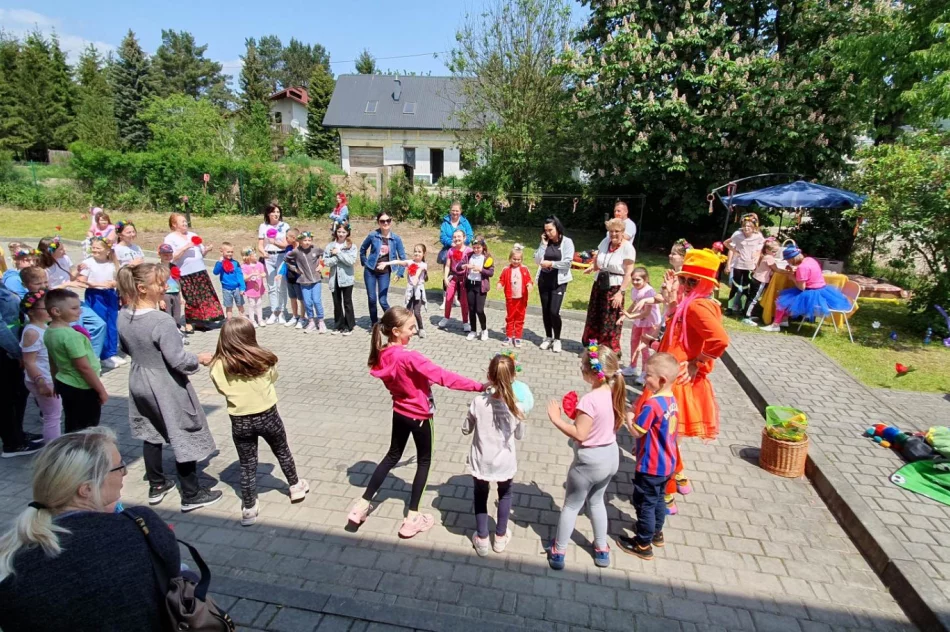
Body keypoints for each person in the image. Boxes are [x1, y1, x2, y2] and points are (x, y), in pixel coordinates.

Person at [0, 428, 189, 632]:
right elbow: (174, 575)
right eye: (118, 467)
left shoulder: (12, 561)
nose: (125, 472)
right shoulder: (141, 527)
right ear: (86, 489)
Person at [347, 307, 484, 538]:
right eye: (411, 328)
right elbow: (443, 377)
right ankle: (412, 517)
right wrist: (479, 386)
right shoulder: (409, 357)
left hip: (399, 412)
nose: (415, 331)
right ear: (396, 331)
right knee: (424, 462)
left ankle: (361, 505)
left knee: (392, 456)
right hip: (420, 416)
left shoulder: (382, 354)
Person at [116, 263, 221, 512]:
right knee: (182, 431)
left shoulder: (123, 314)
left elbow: (124, 348)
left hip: (139, 379)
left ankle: (157, 483)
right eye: (161, 284)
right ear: (142, 288)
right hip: (165, 384)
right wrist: (200, 358)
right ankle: (191, 494)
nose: (166, 288)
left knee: (151, 432)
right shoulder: (161, 321)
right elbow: (178, 360)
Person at [635, 248, 729, 515]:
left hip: (676, 382)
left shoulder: (699, 305)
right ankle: (679, 477)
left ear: (707, 284)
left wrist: (697, 362)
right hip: (668, 373)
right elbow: (678, 330)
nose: (686, 285)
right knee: (669, 437)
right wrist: (670, 299)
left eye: (692, 281)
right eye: (684, 279)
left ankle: (667, 494)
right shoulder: (691, 302)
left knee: (662, 437)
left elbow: (720, 340)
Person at [209, 318, 308, 526]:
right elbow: (273, 378)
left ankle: (249, 507)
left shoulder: (219, 364)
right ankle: (295, 486)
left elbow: (221, 389)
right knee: (282, 450)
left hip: (240, 420)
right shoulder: (264, 358)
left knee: (246, 464)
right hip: (268, 414)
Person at [545, 342, 624, 570]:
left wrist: (556, 419)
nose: (580, 369)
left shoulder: (589, 400)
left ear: (593, 374)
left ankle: (558, 551)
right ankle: (601, 548)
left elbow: (580, 433)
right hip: (610, 456)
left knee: (571, 506)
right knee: (597, 502)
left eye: (583, 366)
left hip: (589, 462)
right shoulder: (614, 390)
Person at [462, 353, 525, 556]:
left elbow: (466, 429)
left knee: (480, 494)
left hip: (481, 460)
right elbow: (520, 435)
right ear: (513, 377)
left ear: (489, 375)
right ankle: (499, 536)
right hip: (504, 462)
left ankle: (481, 538)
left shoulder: (478, 402)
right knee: (505, 494)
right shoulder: (517, 406)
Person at [618, 352, 680, 560]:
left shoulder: (652, 404)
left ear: (661, 380)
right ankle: (656, 532)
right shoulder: (671, 400)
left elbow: (637, 430)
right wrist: (642, 445)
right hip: (667, 463)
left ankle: (643, 543)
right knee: (659, 499)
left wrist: (628, 415)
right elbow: (661, 432)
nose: (645, 379)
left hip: (651, 466)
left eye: (648, 376)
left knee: (645, 502)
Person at [44, 289, 107, 431]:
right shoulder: (72, 336)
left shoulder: (49, 331)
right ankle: (83, 452)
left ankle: (70, 450)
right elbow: (83, 367)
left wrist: (55, 381)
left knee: (72, 422)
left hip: (65, 382)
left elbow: (52, 360)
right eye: (74, 308)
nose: (80, 311)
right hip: (82, 387)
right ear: (56, 311)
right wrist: (101, 390)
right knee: (87, 427)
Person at [762, 243, 851, 333]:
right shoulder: (809, 259)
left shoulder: (802, 267)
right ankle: (784, 320)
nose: (787, 262)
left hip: (811, 292)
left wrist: (792, 277)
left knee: (782, 300)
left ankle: (775, 325)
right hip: (821, 290)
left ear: (792, 259)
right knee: (786, 298)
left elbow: (802, 287)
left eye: (788, 260)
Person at [582, 218, 636, 354]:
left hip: (615, 287)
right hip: (599, 283)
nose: (613, 234)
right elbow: (598, 257)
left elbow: (628, 273)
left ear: (623, 232)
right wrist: (593, 267)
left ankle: (607, 351)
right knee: (594, 316)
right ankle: (592, 347)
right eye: (611, 231)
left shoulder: (628, 248)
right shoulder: (605, 242)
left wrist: (620, 292)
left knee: (609, 320)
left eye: (617, 231)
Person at [0, 277, 41, 458]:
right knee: (7, 398)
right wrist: (18, 352)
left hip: (12, 349)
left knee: (18, 394)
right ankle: (12, 443)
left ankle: (18, 433)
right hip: (6, 352)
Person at [163, 213, 223, 329]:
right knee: (191, 299)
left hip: (200, 271)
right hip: (185, 273)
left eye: (185, 221)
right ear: (174, 224)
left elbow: (201, 253)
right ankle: (190, 322)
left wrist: (207, 250)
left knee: (204, 296)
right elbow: (172, 257)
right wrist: (186, 247)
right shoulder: (170, 238)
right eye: (182, 222)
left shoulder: (192, 235)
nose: (185, 223)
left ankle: (204, 320)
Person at [20, 292, 62, 442]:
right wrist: (41, 382)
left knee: (54, 414)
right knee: (52, 416)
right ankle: (53, 450)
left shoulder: (43, 327)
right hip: (43, 379)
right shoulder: (32, 332)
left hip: (49, 377)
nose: (51, 310)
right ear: (31, 311)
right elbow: (29, 362)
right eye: (46, 308)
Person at [78, 238, 124, 369]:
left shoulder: (112, 263)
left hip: (110, 294)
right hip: (95, 295)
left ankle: (111, 352)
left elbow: (117, 279)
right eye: (93, 247)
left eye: (98, 248)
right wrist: (96, 284)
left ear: (107, 250)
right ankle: (103, 355)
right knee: (101, 322)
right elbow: (81, 280)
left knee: (112, 322)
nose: (95, 250)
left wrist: (113, 284)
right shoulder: (88, 263)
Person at [534, 216, 574, 353]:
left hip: (559, 281)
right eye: (546, 231)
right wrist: (543, 244)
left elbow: (568, 262)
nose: (548, 233)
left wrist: (551, 264)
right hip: (544, 280)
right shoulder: (546, 242)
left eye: (551, 230)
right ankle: (548, 337)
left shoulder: (567, 242)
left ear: (557, 228)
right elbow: (537, 259)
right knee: (545, 311)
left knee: (554, 311)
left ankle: (557, 339)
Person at [359, 211, 406, 325]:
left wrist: (399, 273)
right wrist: (366, 263)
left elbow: (403, 257)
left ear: (391, 221)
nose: (385, 223)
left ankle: (394, 320)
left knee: (382, 300)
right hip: (370, 271)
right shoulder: (373, 235)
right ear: (378, 223)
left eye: (388, 220)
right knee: (372, 299)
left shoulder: (396, 239)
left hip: (384, 273)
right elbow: (362, 249)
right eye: (382, 221)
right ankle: (374, 323)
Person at [619, 267, 662, 382]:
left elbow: (646, 312)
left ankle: (645, 372)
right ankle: (632, 367)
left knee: (643, 348)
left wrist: (630, 316)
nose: (635, 282)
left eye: (638, 280)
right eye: (633, 279)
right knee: (633, 342)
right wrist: (625, 314)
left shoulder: (649, 292)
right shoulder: (634, 290)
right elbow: (635, 303)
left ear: (646, 279)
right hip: (639, 321)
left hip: (649, 322)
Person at [380, 243, 429, 338]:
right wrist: (386, 263)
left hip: (418, 290)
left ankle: (421, 328)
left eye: (419, 252)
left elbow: (419, 271)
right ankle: (410, 328)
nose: (417, 253)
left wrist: (415, 279)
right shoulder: (410, 262)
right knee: (408, 311)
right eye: (415, 251)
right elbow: (397, 262)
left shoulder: (424, 265)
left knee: (417, 311)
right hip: (410, 290)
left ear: (424, 254)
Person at [284, 231, 326, 333]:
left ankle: (321, 321)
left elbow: (326, 255)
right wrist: (295, 269)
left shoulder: (315, 249)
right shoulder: (296, 251)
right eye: (305, 240)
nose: (307, 242)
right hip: (304, 281)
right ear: (300, 241)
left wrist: (321, 265)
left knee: (316, 300)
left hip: (316, 280)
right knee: (307, 302)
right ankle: (311, 321)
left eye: (309, 240)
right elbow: (286, 260)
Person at [724, 213, 765, 315]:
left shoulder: (758, 236)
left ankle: (744, 309)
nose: (746, 228)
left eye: (749, 226)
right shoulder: (737, 235)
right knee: (735, 287)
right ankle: (729, 308)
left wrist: (756, 257)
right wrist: (735, 250)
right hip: (738, 264)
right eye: (745, 226)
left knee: (746, 287)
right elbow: (726, 243)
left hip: (750, 266)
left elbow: (760, 247)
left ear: (754, 228)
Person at [258, 203, 291, 324]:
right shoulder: (263, 226)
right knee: (271, 285)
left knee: (281, 285)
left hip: (281, 256)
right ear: (268, 214)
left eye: (278, 212)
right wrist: (263, 252)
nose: (276, 214)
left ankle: (282, 312)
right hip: (269, 257)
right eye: (273, 212)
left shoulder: (284, 226)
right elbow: (260, 245)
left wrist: (275, 242)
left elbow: (287, 244)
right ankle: (274, 311)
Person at [323, 224, 358, 336]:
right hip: (334, 278)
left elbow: (350, 261)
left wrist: (339, 253)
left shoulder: (351, 246)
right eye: (339, 232)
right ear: (335, 232)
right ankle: (338, 324)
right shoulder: (330, 246)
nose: (341, 234)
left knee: (347, 302)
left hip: (347, 278)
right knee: (337, 302)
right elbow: (326, 261)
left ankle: (349, 325)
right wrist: (335, 258)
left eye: (343, 232)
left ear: (347, 233)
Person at [438, 201, 473, 307]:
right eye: (453, 210)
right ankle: (445, 299)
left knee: (460, 275)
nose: (455, 213)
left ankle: (456, 297)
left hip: (462, 251)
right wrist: (451, 243)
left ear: (460, 211)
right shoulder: (445, 222)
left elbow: (470, 234)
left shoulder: (465, 222)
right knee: (448, 274)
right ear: (450, 210)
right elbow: (442, 236)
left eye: (457, 211)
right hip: (450, 250)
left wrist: (462, 243)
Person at [497, 244, 532, 347]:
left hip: (521, 299)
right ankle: (508, 336)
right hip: (510, 299)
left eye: (518, 259)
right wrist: (500, 284)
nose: (516, 261)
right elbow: (502, 279)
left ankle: (517, 337)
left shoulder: (525, 269)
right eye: (514, 259)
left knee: (520, 318)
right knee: (510, 318)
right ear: (510, 259)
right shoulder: (506, 269)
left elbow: (528, 280)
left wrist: (529, 284)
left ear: (521, 260)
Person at [743, 238, 782, 326]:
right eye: (774, 251)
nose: (775, 253)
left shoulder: (765, 256)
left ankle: (748, 314)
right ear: (767, 250)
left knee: (752, 297)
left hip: (757, 279)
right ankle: (746, 316)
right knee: (754, 299)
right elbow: (776, 269)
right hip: (760, 280)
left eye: (776, 252)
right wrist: (787, 272)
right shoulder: (769, 258)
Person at [437, 229, 471, 331]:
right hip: (453, 277)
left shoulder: (469, 251)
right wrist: (445, 278)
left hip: (464, 279)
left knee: (464, 302)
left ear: (464, 238)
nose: (457, 239)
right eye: (455, 237)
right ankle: (446, 317)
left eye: (459, 236)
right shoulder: (450, 250)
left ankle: (465, 322)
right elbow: (447, 265)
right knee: (448, 298)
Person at [462, 236, 494, 341]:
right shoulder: (468, 255)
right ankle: (473, 330)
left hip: (480, 286)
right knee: (471, 309)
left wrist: (481, 269)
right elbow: (459, 265)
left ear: (483, 247)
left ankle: (484, 330)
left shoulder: (487, 258)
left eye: (478, 247)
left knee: (479, 309)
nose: (476, 250)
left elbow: (491, 272)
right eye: (474, 247)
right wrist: (465, 266)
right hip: (470, 284)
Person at [212, 242, 246, 320]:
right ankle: (229, 321)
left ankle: (243, 320)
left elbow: (240, 276)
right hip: (226, 289)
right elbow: (215, 272)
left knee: (240, 305)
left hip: (237, 288)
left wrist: (242, 288)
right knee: (229, 306)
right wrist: (219, 263)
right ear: (222, 252)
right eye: (228, 252)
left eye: (231, 252)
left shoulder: (235, 263)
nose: (230, 254)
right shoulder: (220, 263)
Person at [157, 244, 186, 334]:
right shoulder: (157, 268)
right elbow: (157, 284)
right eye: (165, 254)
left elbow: (178, 282)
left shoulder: (174, 267)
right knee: (167, 314)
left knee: (177, 315)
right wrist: (160, 300)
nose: (167, 257)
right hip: (164, 294)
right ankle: (167, 333)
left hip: (176, 293)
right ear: (160, 254)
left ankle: (176, 332)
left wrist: (181, 296)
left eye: (169, 254)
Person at [281, 228, 303, 328]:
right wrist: (281, 273)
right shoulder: (288, 248)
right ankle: (295, 316)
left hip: (300, 278)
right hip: (289, 277)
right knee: (292, 298)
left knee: (301, 299)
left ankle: (302, 318)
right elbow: (285, 262)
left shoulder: (302, 249)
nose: (285, 239)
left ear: (294, 238)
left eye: (287, 237)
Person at [242, 247, 268, 327]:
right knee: (251, 304)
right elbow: (244, 278)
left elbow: (264, 273)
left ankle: (260, 319)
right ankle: (252, 320)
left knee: (259, 303)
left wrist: (261, 275)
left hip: (259, 288)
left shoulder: (259, 264)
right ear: (249, 257)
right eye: (254, 256)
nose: (256, 257)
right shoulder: (244, 266)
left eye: (256, 256)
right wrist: (251, 275)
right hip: (250, 289)